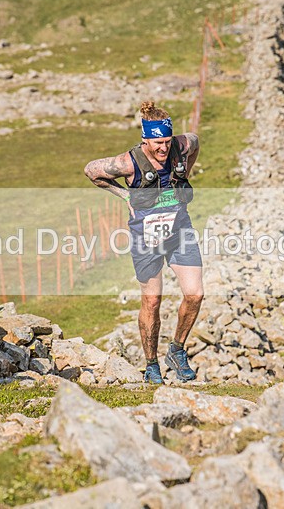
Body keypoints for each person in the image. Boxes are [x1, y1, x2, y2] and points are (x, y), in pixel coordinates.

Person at [84, 101, 204, 384]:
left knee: (195, 294)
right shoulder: (128, 162)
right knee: (152, 301)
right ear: (145, 140)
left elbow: (195, 142)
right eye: (158, 143)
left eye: (167, 141)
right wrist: (124, 195)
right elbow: (91, 170)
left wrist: (185, 172)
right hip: (146, 237)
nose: (164, 148)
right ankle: (152, 365)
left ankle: (176, 350)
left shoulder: (181, 145)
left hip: (179, 230)